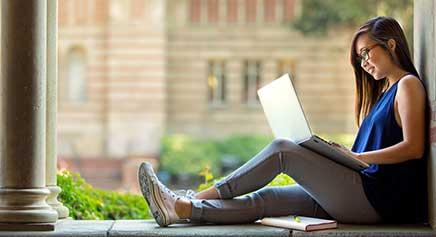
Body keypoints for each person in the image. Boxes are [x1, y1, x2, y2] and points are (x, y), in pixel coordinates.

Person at [138, 16, 428, 227]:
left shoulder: (408, 85)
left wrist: (356, 156)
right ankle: (181, 208)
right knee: (267, 200)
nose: (363, 61)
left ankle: (195, 196)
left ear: (391, 44)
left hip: (377, 201)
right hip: (360, 194)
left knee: (282, 149)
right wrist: (335, 155)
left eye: (367, 52)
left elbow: (414, 148)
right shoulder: (386, 93)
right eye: (359, 56)